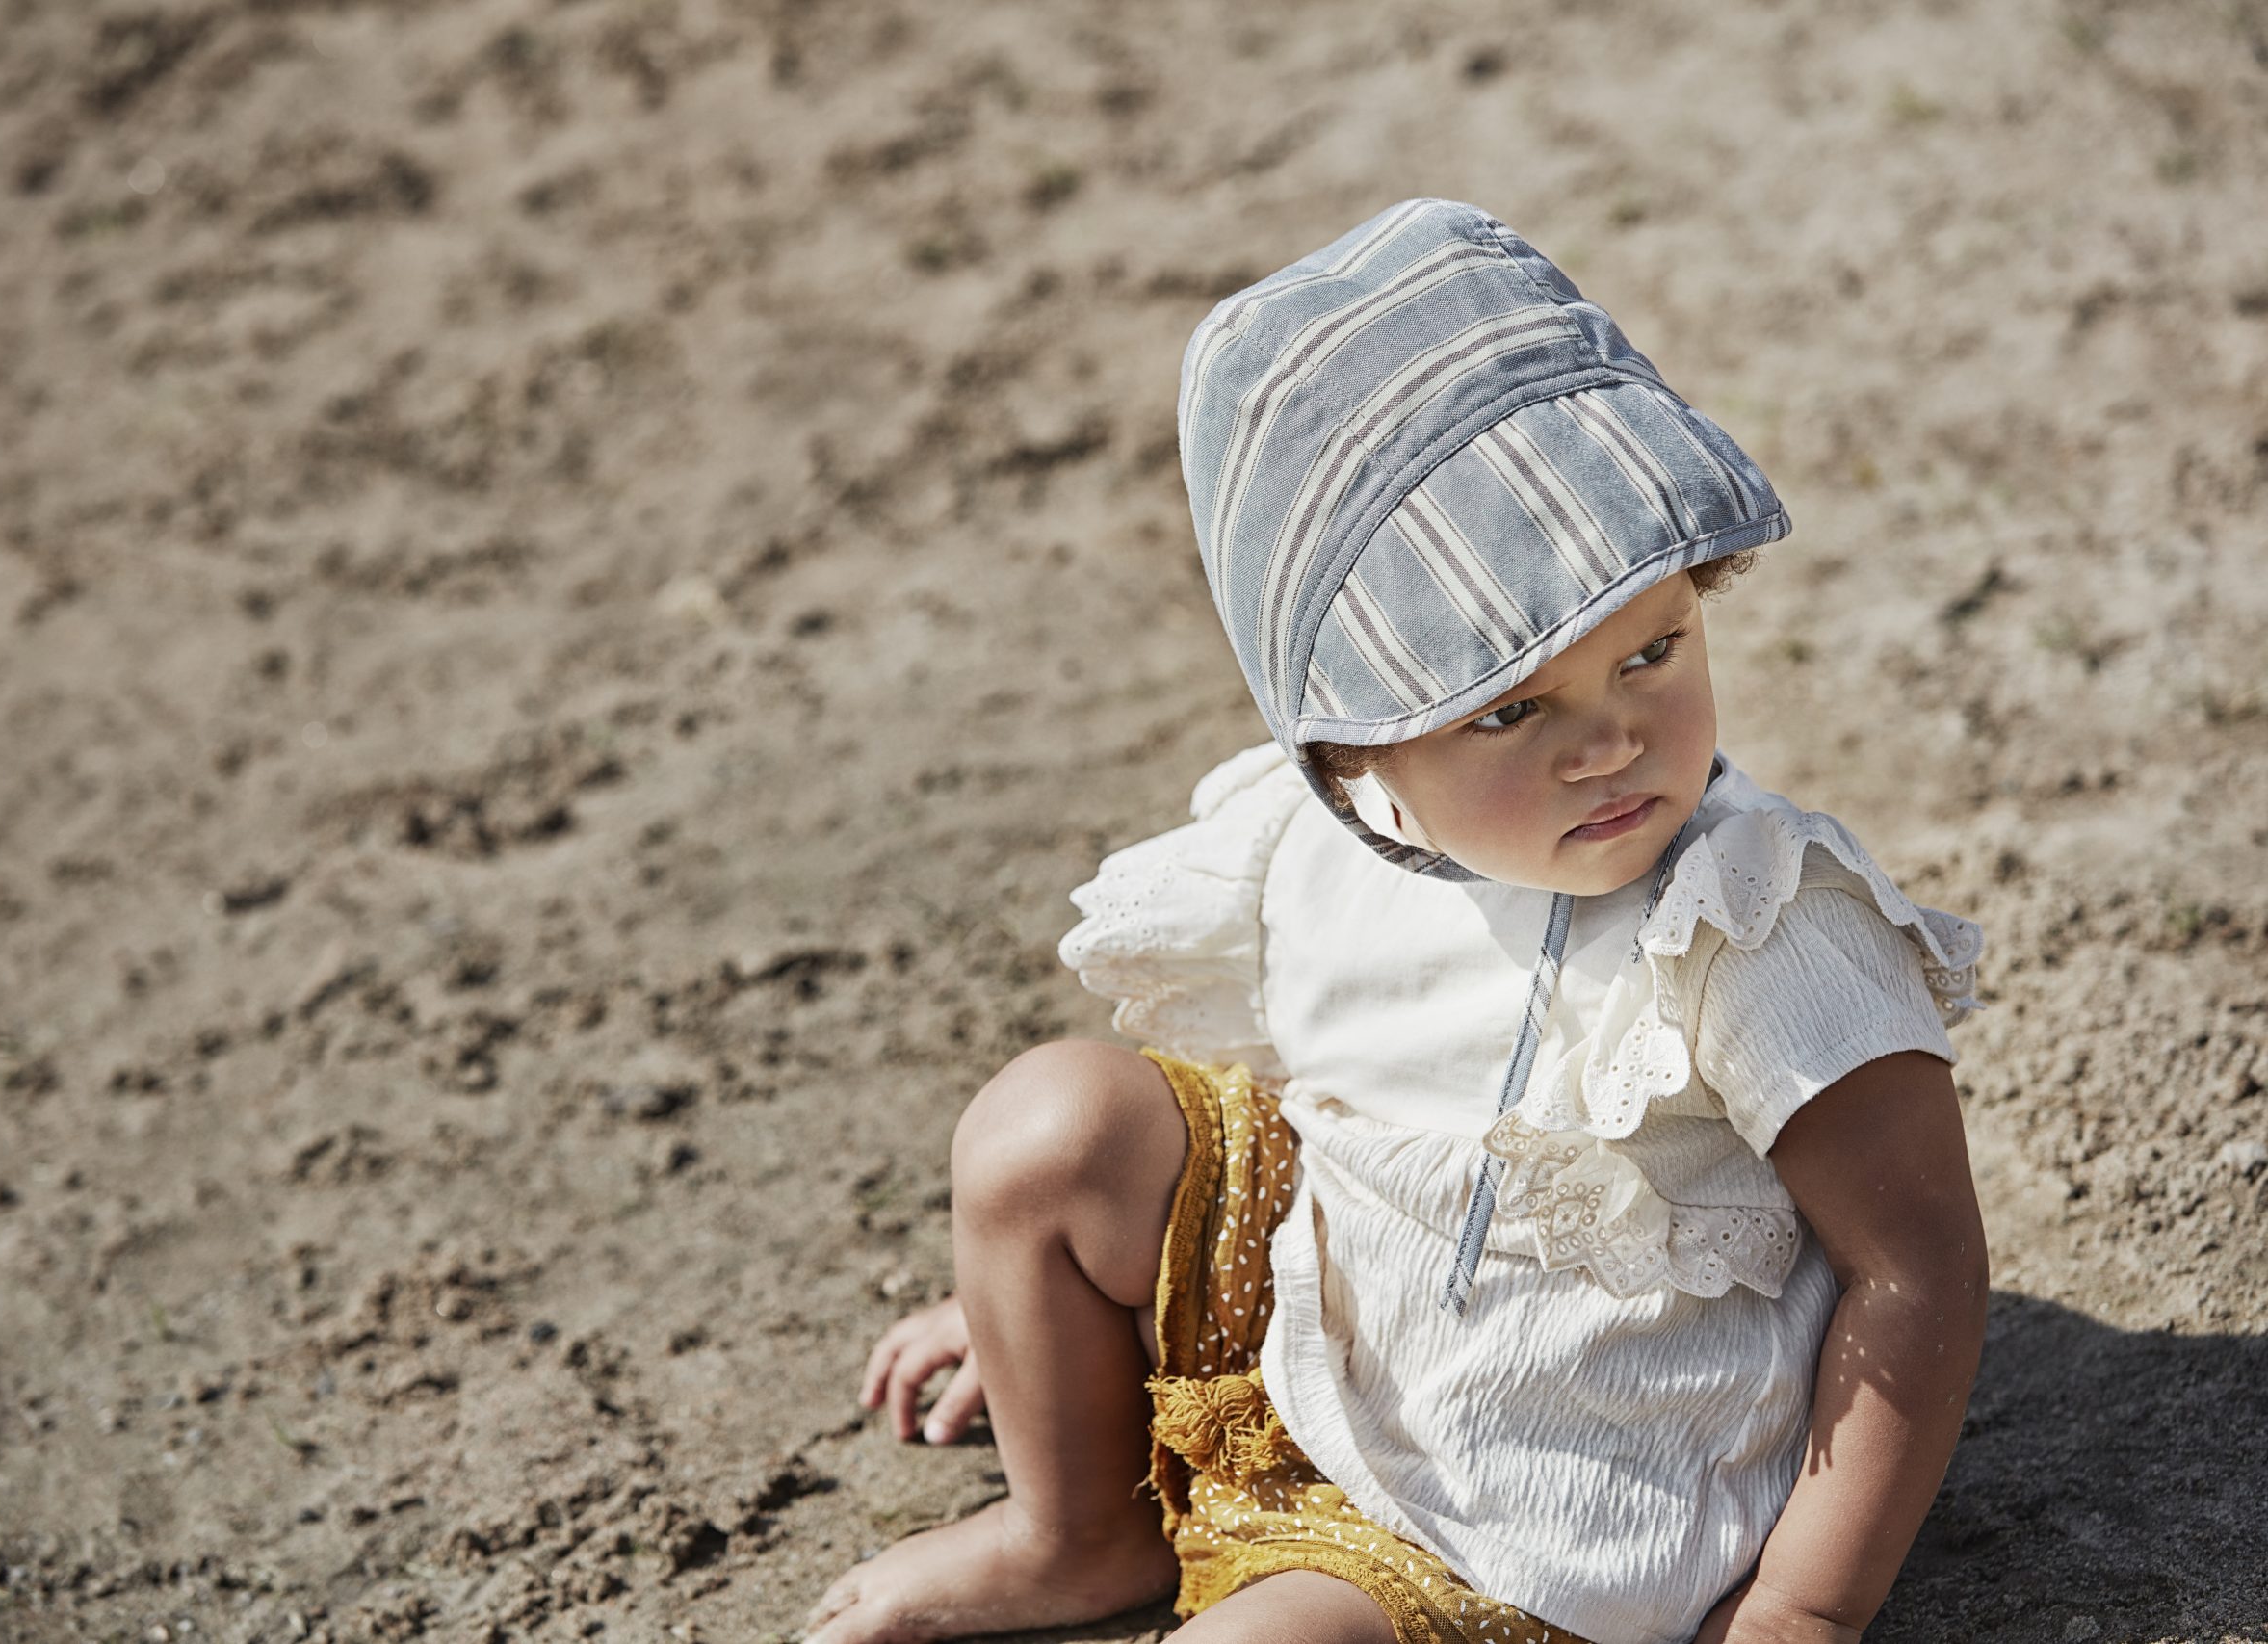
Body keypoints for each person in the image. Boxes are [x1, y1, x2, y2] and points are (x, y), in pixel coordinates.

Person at [803, 198, 1989, 1644]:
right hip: (1320, 1320)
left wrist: (1803, 1609)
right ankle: (1079, 1529)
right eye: (1509, 707)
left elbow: (1915, 1262)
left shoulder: (1753, 922)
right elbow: (1303, 1091)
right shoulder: (1308, 848)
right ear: (1357, 747)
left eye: (1652, 651)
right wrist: (1050, 1330)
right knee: (1046, 1128)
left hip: (1521, 1492)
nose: (1611, 741)